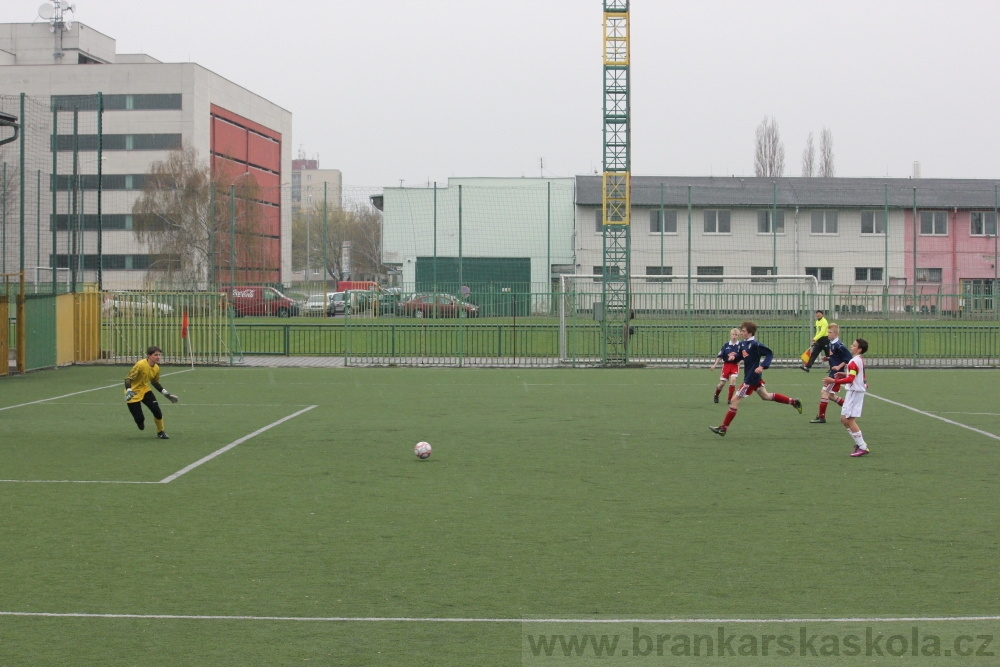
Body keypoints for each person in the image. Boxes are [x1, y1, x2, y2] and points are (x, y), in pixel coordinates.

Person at [709, 321, 803, 437]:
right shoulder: (743, 344)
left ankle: (723, 428)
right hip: (752, 376)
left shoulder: (755, 344)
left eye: (743, 331)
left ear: (749, 333)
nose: (741, 333)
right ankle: (794, 402)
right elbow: (741, 355)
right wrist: (735, 357)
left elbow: (769, 354)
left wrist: (762, 366)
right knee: (766, 396)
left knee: (734, 401)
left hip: (751, 378)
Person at [822, 338, 870, 457]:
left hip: (854, 392)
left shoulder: (854, 361)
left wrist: (834, 380)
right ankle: (859, 443)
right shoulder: (858, 360)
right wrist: (844, 374)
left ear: (859, 349)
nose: (851, 346)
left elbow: (851, 379)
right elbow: (856, 375)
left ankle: (863, 446)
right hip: (852, 392)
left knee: (849, 419)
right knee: (844, 419)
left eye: (854, 345)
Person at [124, 345, 179, 439]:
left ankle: (161, 432)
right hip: (133, 393)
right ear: (149, 356)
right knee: (139, 419)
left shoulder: (156, 368)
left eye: (159, 355)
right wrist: (129, 390)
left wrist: (166, 393)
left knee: (157, 410)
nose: (158, 357)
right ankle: (139, 422)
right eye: (155, 355)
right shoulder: (140, 365)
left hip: (145, 390)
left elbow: (155, 382)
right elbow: (128, 379)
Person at [809, 323, 852, 423]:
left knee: (824, 392)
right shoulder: (831, 343)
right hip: (833, 373)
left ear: (836, 334)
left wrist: (839, 367)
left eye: (830, 332)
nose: (828, 334)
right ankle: (848, 409)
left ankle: (822, 417)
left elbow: (848, 359)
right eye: (828, 332)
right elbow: (836, 357)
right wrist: (827, 358)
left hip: (836, 374)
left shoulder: (840, 345)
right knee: (830, 396)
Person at [710, 328, 742, 404]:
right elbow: (720, 356)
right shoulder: (726, 345)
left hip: (734, 365)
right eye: (733, 334)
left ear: (738, 336)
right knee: (722, 383)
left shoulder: (740, 345)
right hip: (726, 365)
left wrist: (740, 361)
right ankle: (716, 395)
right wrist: (714, 365)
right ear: (730, 335)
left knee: (733, 380)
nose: (734, 336)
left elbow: (743, 355)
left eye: (736, 335)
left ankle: (730, 399)